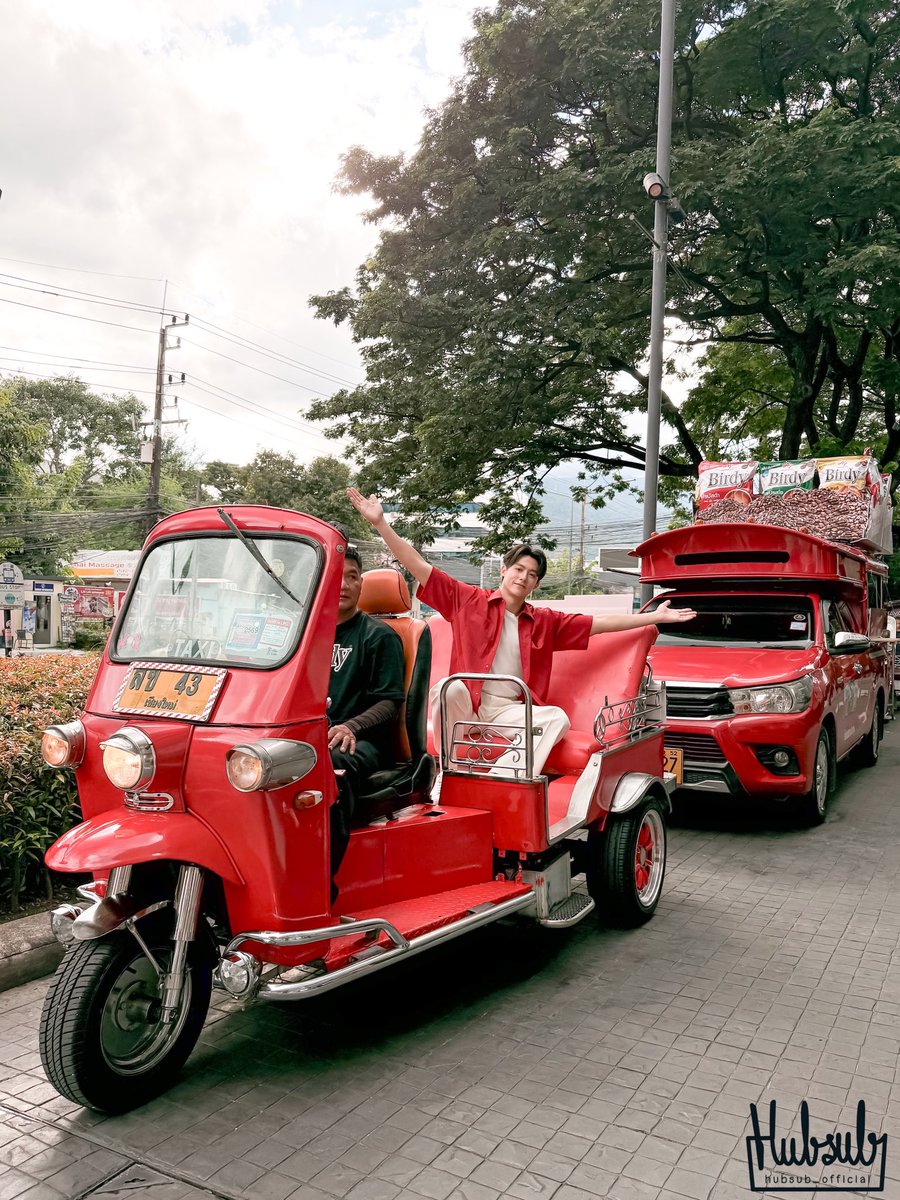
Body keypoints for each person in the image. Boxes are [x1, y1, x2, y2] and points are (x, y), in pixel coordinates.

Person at [346, 489, 696, 776]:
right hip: (469, 701)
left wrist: (652, 617)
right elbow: (418, 565)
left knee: (556, 717)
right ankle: (450, 773)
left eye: (532, 574)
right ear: (504, 570)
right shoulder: (469, 600)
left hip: (508, 710)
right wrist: (381, 524)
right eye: (519, 569)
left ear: (537, 583)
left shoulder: (544, 620)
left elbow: (599, 625)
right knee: (445, 688)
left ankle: (503, 776)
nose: (523, 577)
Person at [328, 547, 406, 896]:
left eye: (352, 576)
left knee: (327, 768)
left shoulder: (379, 636)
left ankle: (318, 883)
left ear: (362, 584)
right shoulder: (306, 635)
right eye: (336, 575)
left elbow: (389, 702)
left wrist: (351, 727)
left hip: (365, 743)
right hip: (312, 737)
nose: (343, 584)